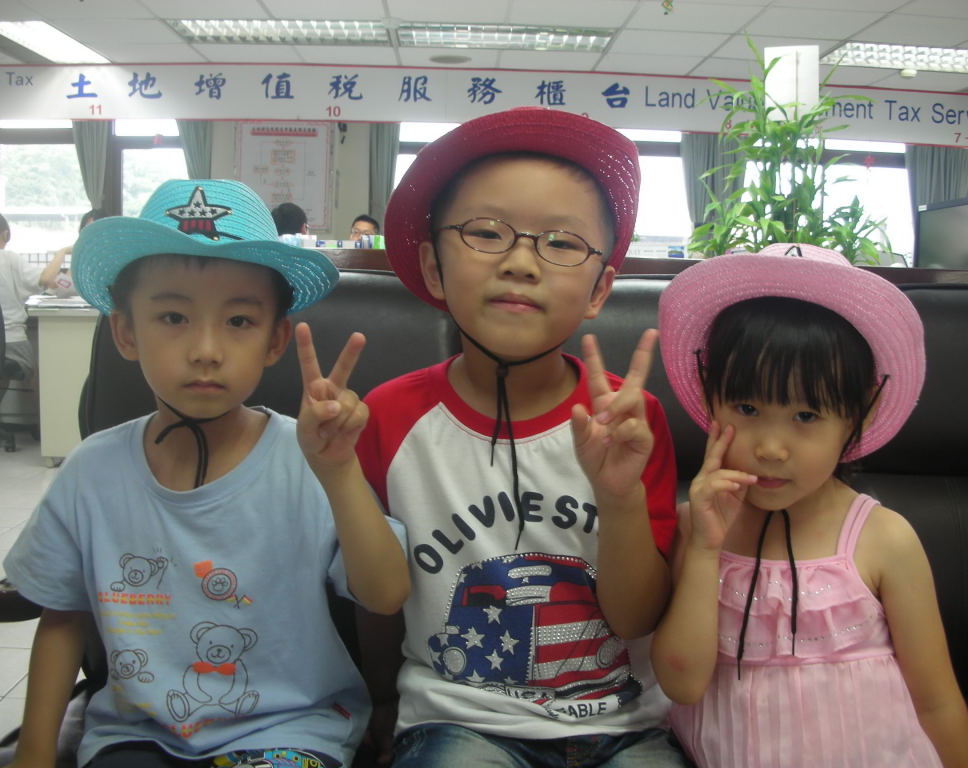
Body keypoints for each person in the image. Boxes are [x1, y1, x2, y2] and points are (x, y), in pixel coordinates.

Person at [2, 179, 409, 768]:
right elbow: (62, 618)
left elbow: (386, 594)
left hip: (287, 732)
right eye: (173, 316)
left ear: (274, 340)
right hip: (135, 736)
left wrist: (340, 472)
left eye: (239, 321)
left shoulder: (307, 462)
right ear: (125, 332)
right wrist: (33, 753)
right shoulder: (91, 472)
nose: (206, 350)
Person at [355, 107, 684, 767]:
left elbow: (635, 619)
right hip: (456, 718)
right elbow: (376, 598)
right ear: (433, 266)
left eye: (561, 243)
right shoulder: (387, 416)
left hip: (621, 721)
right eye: (485, 232)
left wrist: (618, 496)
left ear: (600, 289)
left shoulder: (630, 420)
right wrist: (379, 702)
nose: (521, 263)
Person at [651, 243, 968, 767]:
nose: (771, 448)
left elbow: (937, 703)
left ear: (859, 415)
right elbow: (680, 684)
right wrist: (705, 550)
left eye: (806, 415)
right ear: (711, 399)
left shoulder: (884, 538)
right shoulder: (696, 524)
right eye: (746, 407)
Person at [0, 211, 66, 421]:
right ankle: (43, 425)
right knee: (38, 371)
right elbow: (46, 279)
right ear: (5, 234)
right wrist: (62, 252)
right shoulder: (8, 258)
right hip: (12, 341)